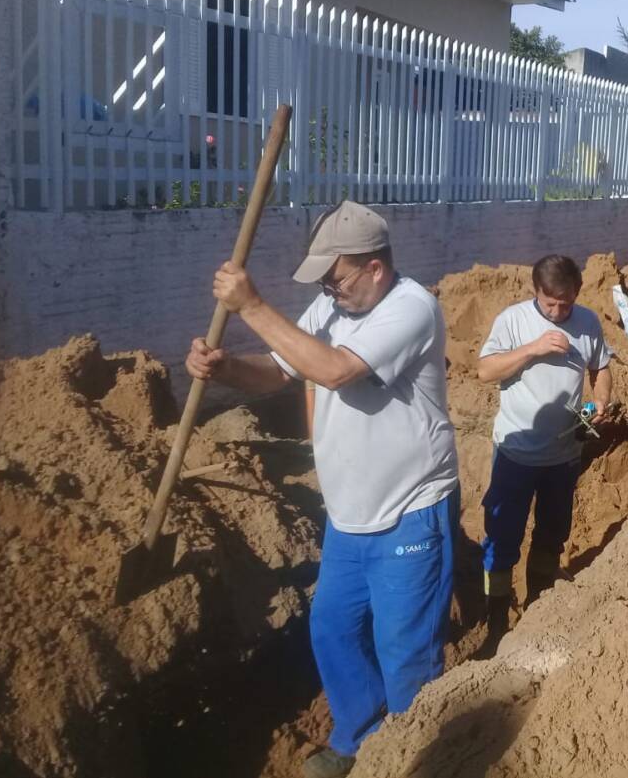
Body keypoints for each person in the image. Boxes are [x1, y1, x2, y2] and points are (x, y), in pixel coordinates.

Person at [185, 201, 459, 778]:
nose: (329, 292)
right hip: (348, 515)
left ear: (375, 268)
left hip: (409, 513)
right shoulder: (331, 305)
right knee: (332, 629)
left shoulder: (411, 308)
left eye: (336, 278)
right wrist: (227, 369)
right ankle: (358, 735)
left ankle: (414, 759)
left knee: (405, 652)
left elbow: (334, 370)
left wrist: (252, 305)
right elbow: (283, 369)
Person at [475, 255, 612, 654]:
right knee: (502, 539)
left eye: (565, 303)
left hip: (563, 456)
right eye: (550, 303)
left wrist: (601, 400)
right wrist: (533, 349)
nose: (557, 311)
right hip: (515, 454)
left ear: (577, 294)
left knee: (551, 535)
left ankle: (537, 608)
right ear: (536, 292)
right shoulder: (513, 321)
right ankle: (496, 622)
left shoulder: (587, 322)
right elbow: (485, 371)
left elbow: (600, 367)